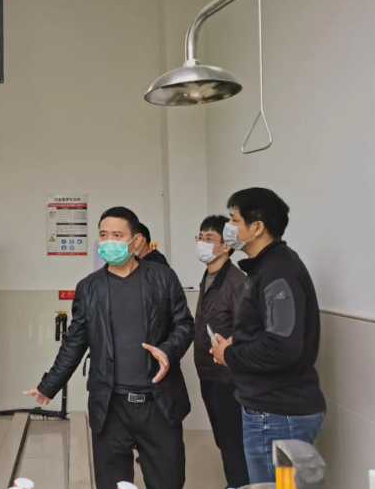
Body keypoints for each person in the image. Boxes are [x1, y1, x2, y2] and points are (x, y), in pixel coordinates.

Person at [24, 207, 194, 489]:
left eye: (117, 235)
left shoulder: (163, 278)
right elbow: (75, 341)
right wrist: (49, 384)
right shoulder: (89, 287)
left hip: (158, 403)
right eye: (103, 235)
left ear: (136, 241)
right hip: (110, 405)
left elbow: (184, 324)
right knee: (112, 483)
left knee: (168, 481)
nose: (108, 242)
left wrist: (167, 349)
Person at [210, 188, 326, 484]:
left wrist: (230, 354)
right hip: (273, 410)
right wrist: (240, 342)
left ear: (257, 227)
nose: (228, 228)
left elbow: (281, 347)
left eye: (234, 220)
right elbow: (273, 331)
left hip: (277, 414)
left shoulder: (278, 272)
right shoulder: (266, 268)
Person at [194, 215, 249, 489]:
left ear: (226, 246)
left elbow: (249, 331)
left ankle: (239, 485)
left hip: (229, 379)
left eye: (210, 239)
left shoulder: (238, 282)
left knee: (233, 444)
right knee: (223, 440)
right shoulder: (209, 277)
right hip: (209, 375)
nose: (202, 243)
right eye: (200, 237)